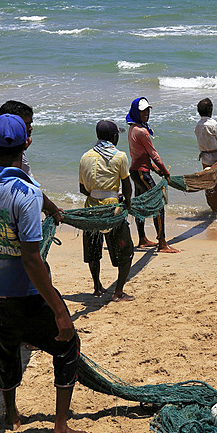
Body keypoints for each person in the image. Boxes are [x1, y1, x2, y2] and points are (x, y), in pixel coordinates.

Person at [0, 114, 86, 433]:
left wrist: (49, 207)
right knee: (67, 346)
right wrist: (61, 311)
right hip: (25, 291)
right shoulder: (26, 194)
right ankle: (61, 427)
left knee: (5, 349)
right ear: (28, 144)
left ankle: (11, 413)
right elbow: (32, 260)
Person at [0, 100, 63, 224]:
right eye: (26, 124)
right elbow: (20, 189)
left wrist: (45, 206)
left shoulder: (10, 151)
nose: (30, 128)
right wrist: (49, 207)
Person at [80, 120, 135, 301]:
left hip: (90, 210)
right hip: (113, 210)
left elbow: (82, 189)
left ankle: (97, 287)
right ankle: (118, 292)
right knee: (126, 252)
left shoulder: (85, 157)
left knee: (94, 252)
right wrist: (126, 203)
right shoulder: (119, 156)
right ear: (114, 137)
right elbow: (127, 186)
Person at [126, 97, 177, 253]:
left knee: (141, 205)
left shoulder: (133, 128)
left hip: (136, 172)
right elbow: (153, 154)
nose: (146, 114)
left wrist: (154, 169)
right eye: (142, 111)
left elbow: (141, 155)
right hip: (141, 173)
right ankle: (161, 242)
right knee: (158, 203)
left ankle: (142, 239)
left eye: (147, 110)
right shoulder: (142, 131)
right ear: (136, 112)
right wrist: (166, 172)